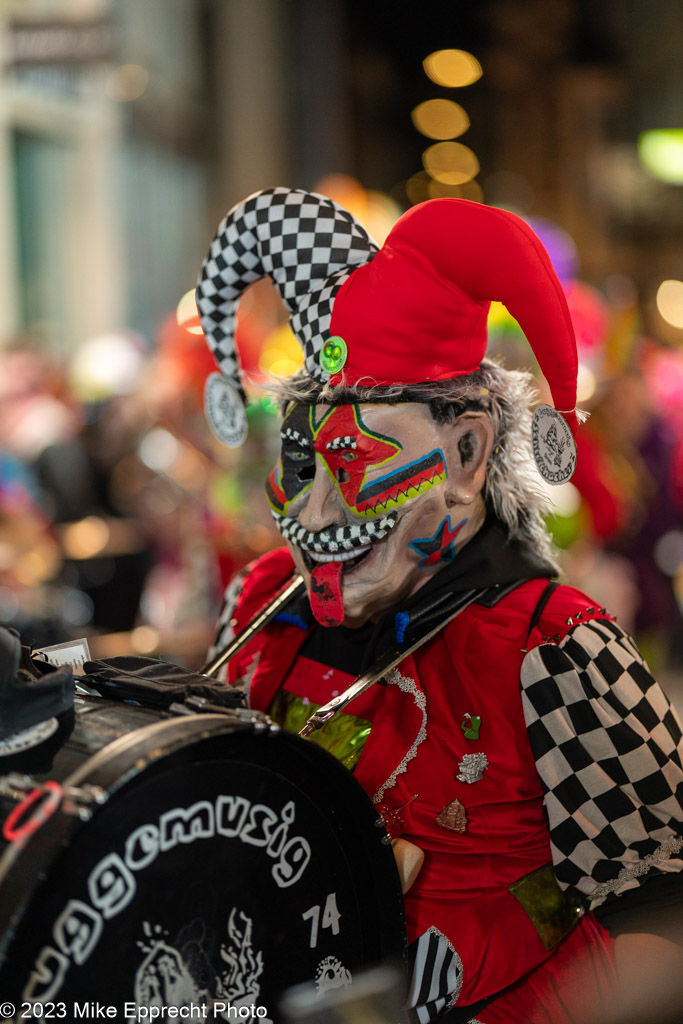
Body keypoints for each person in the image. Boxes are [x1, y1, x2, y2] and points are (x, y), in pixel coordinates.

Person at [196, 189, 683, 1023]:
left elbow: (665, 916)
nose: (311, 518)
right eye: (303, 460)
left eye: (351, 461)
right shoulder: (262, 600)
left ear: (466, 452)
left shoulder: (559, 647)